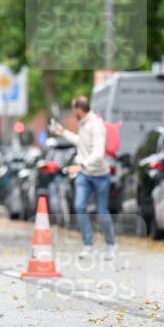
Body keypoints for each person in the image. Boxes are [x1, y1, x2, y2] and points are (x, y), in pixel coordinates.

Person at [52, 96, 116, 260]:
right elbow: (82, 143)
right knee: (80, 206)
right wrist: (64, 133)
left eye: (74, 109)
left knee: (102, 212)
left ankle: (111, 245)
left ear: (79, 109)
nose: (73, 113)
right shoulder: (84, 124)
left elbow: (98, 152)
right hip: (85, 175)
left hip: (100, 175)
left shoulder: (96, 124)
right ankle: (88, 245)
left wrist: (81, 165)